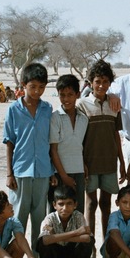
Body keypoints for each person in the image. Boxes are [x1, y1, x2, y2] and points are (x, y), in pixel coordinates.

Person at [76, 59, 125, 258]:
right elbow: (77, 137)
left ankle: (106, 245)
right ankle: (90, 246)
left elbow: (116, 134)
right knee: (91, 203)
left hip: (109, 162)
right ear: (90, 82)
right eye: (98, 81)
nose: (102, 85)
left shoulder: (114, 104)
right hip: (90, 161)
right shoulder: (82, 104)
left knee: (106, 203)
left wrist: (121, 161)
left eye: (105, 82)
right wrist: (82, 162)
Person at [4, 62, 55, 253]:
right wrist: (9, 173)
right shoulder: (13, 110)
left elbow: (49, 143)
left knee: (39, 217)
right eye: (33, 86)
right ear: (24, 85)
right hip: (21, 171)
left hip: (42, 171)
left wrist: (52, 171)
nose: (37, 91)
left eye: (41, 87)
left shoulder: (47, 109)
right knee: (18, 218)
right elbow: (9, 142)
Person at [35, 185, 93, 258]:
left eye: (69, 204)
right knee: (41, 243)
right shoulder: (50, 218)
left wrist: (56, 236)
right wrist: (76, 232)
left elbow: (87, 238)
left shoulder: (78, 216)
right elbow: (45, 241)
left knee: (89, 241)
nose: (65, 208)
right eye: (61, 204)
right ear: (54, 205)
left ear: (75, 204)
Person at [49, 74, 88, 213]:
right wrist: (64, 176)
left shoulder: (84, 118)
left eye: (70, 94)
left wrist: (82, 165)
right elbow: (53, 150)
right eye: (62, 95)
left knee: (77, 211)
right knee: (57, 212)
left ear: (77, 95)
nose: (66, 99)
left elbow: (79, 146)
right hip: (59, 173)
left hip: (78, 172)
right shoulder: (55, 117)